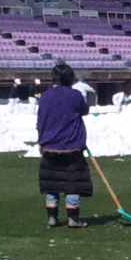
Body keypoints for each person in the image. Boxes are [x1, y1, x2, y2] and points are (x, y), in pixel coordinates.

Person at [36, 60, 92, 227]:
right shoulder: (75, 95)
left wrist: (41, 141)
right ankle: (73, 219)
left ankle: (52, 218)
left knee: (52, 183)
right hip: (72, 146)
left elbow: (41, 121)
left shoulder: (45, 96)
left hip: (50, 146)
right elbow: (84, 111)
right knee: (72, 184)